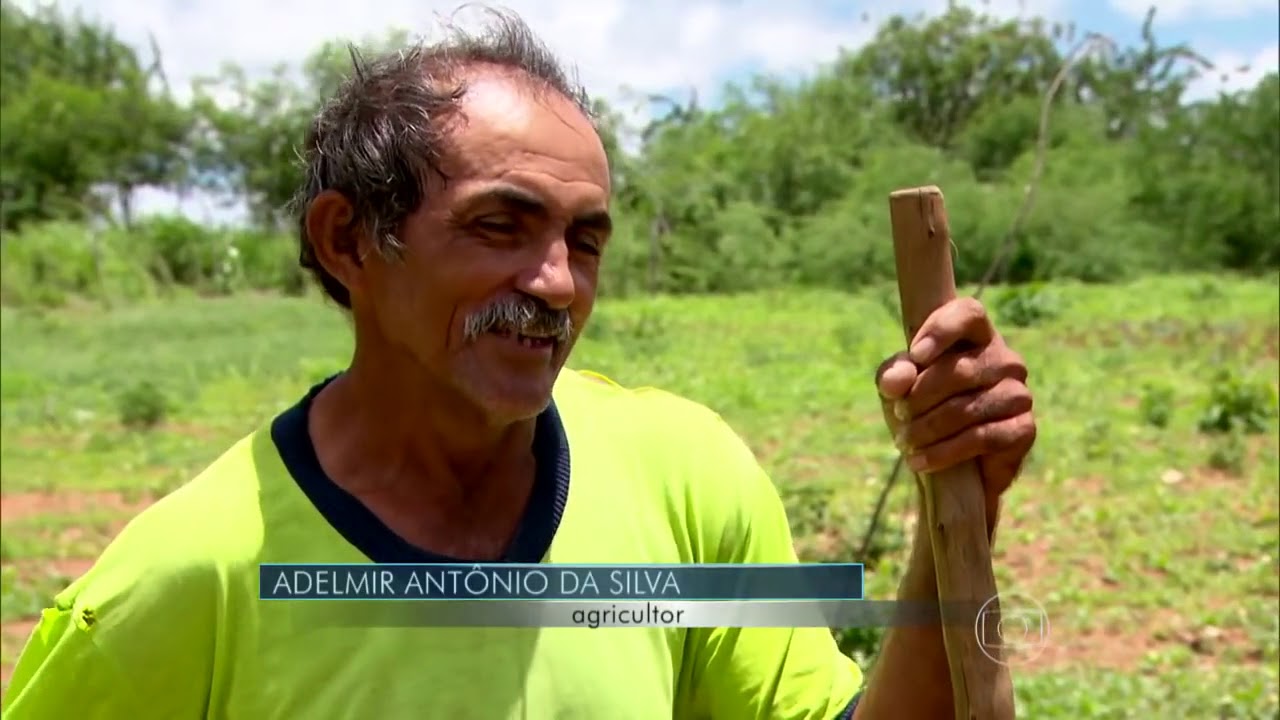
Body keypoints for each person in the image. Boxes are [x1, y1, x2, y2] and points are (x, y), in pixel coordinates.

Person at [4, 10, 1036, 719]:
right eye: (500, 226)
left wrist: (962, 506)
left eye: (584, 241)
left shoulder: (682, 472)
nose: (554, 283)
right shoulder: (186, 581)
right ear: (348, 242)